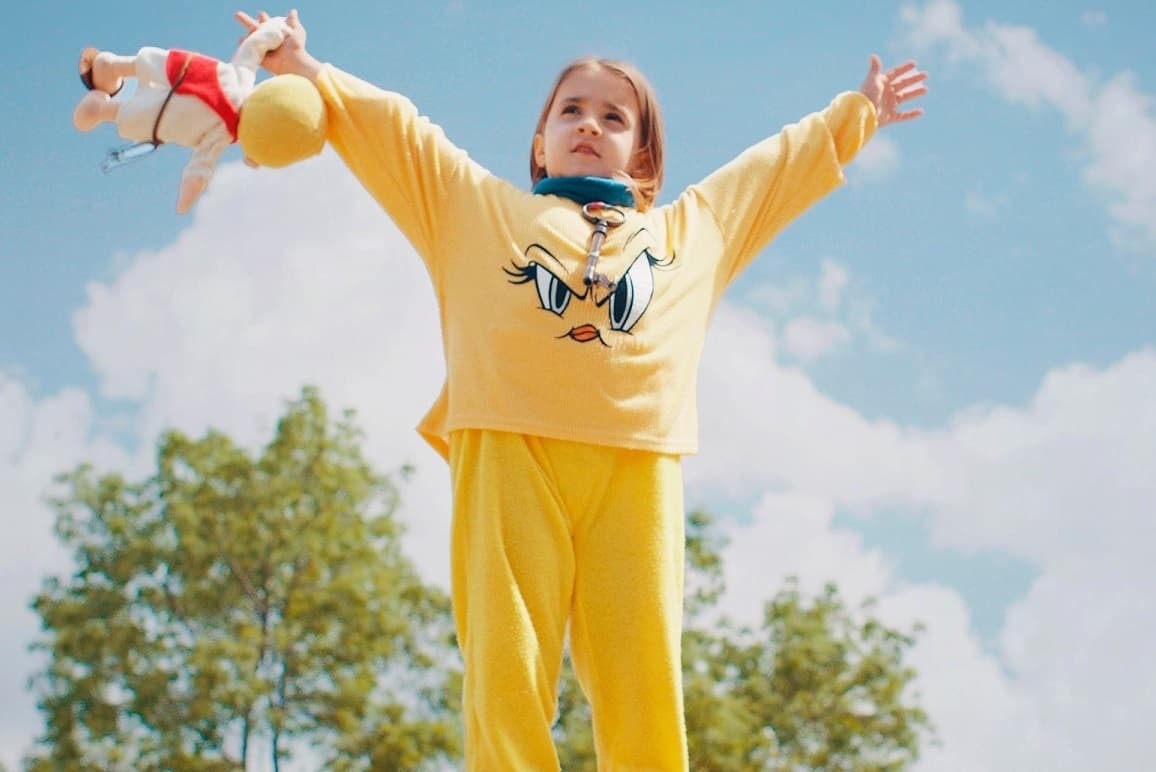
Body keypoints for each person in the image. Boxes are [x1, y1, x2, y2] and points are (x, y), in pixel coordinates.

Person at [236, 10, 925, 770]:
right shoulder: (475, 208)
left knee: (643, 683)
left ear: (643, 159)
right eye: (570, 109)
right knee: (504, 669)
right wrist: (308, 71)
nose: (589, 123)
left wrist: (856, 113)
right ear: (540, 142)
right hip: (508, 453)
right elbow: (399, 133)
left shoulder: (689, 233)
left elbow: (771, 173)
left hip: (637, 471)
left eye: (613, 116)